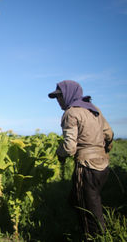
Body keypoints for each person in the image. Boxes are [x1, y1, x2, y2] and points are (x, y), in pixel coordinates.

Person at [48, 80, 113, 240]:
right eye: (57, 98)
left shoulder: (71, 113)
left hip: (86, 167)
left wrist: (59, 153)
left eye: (60, 96)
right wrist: (102, 150)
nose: (58, 101)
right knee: (78, 200)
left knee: (89, 211)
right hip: (103, 166)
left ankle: (95, 237)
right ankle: (83, 230)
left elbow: (69, 147)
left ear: (69, 94)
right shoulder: (94, 109)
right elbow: (109, 134)